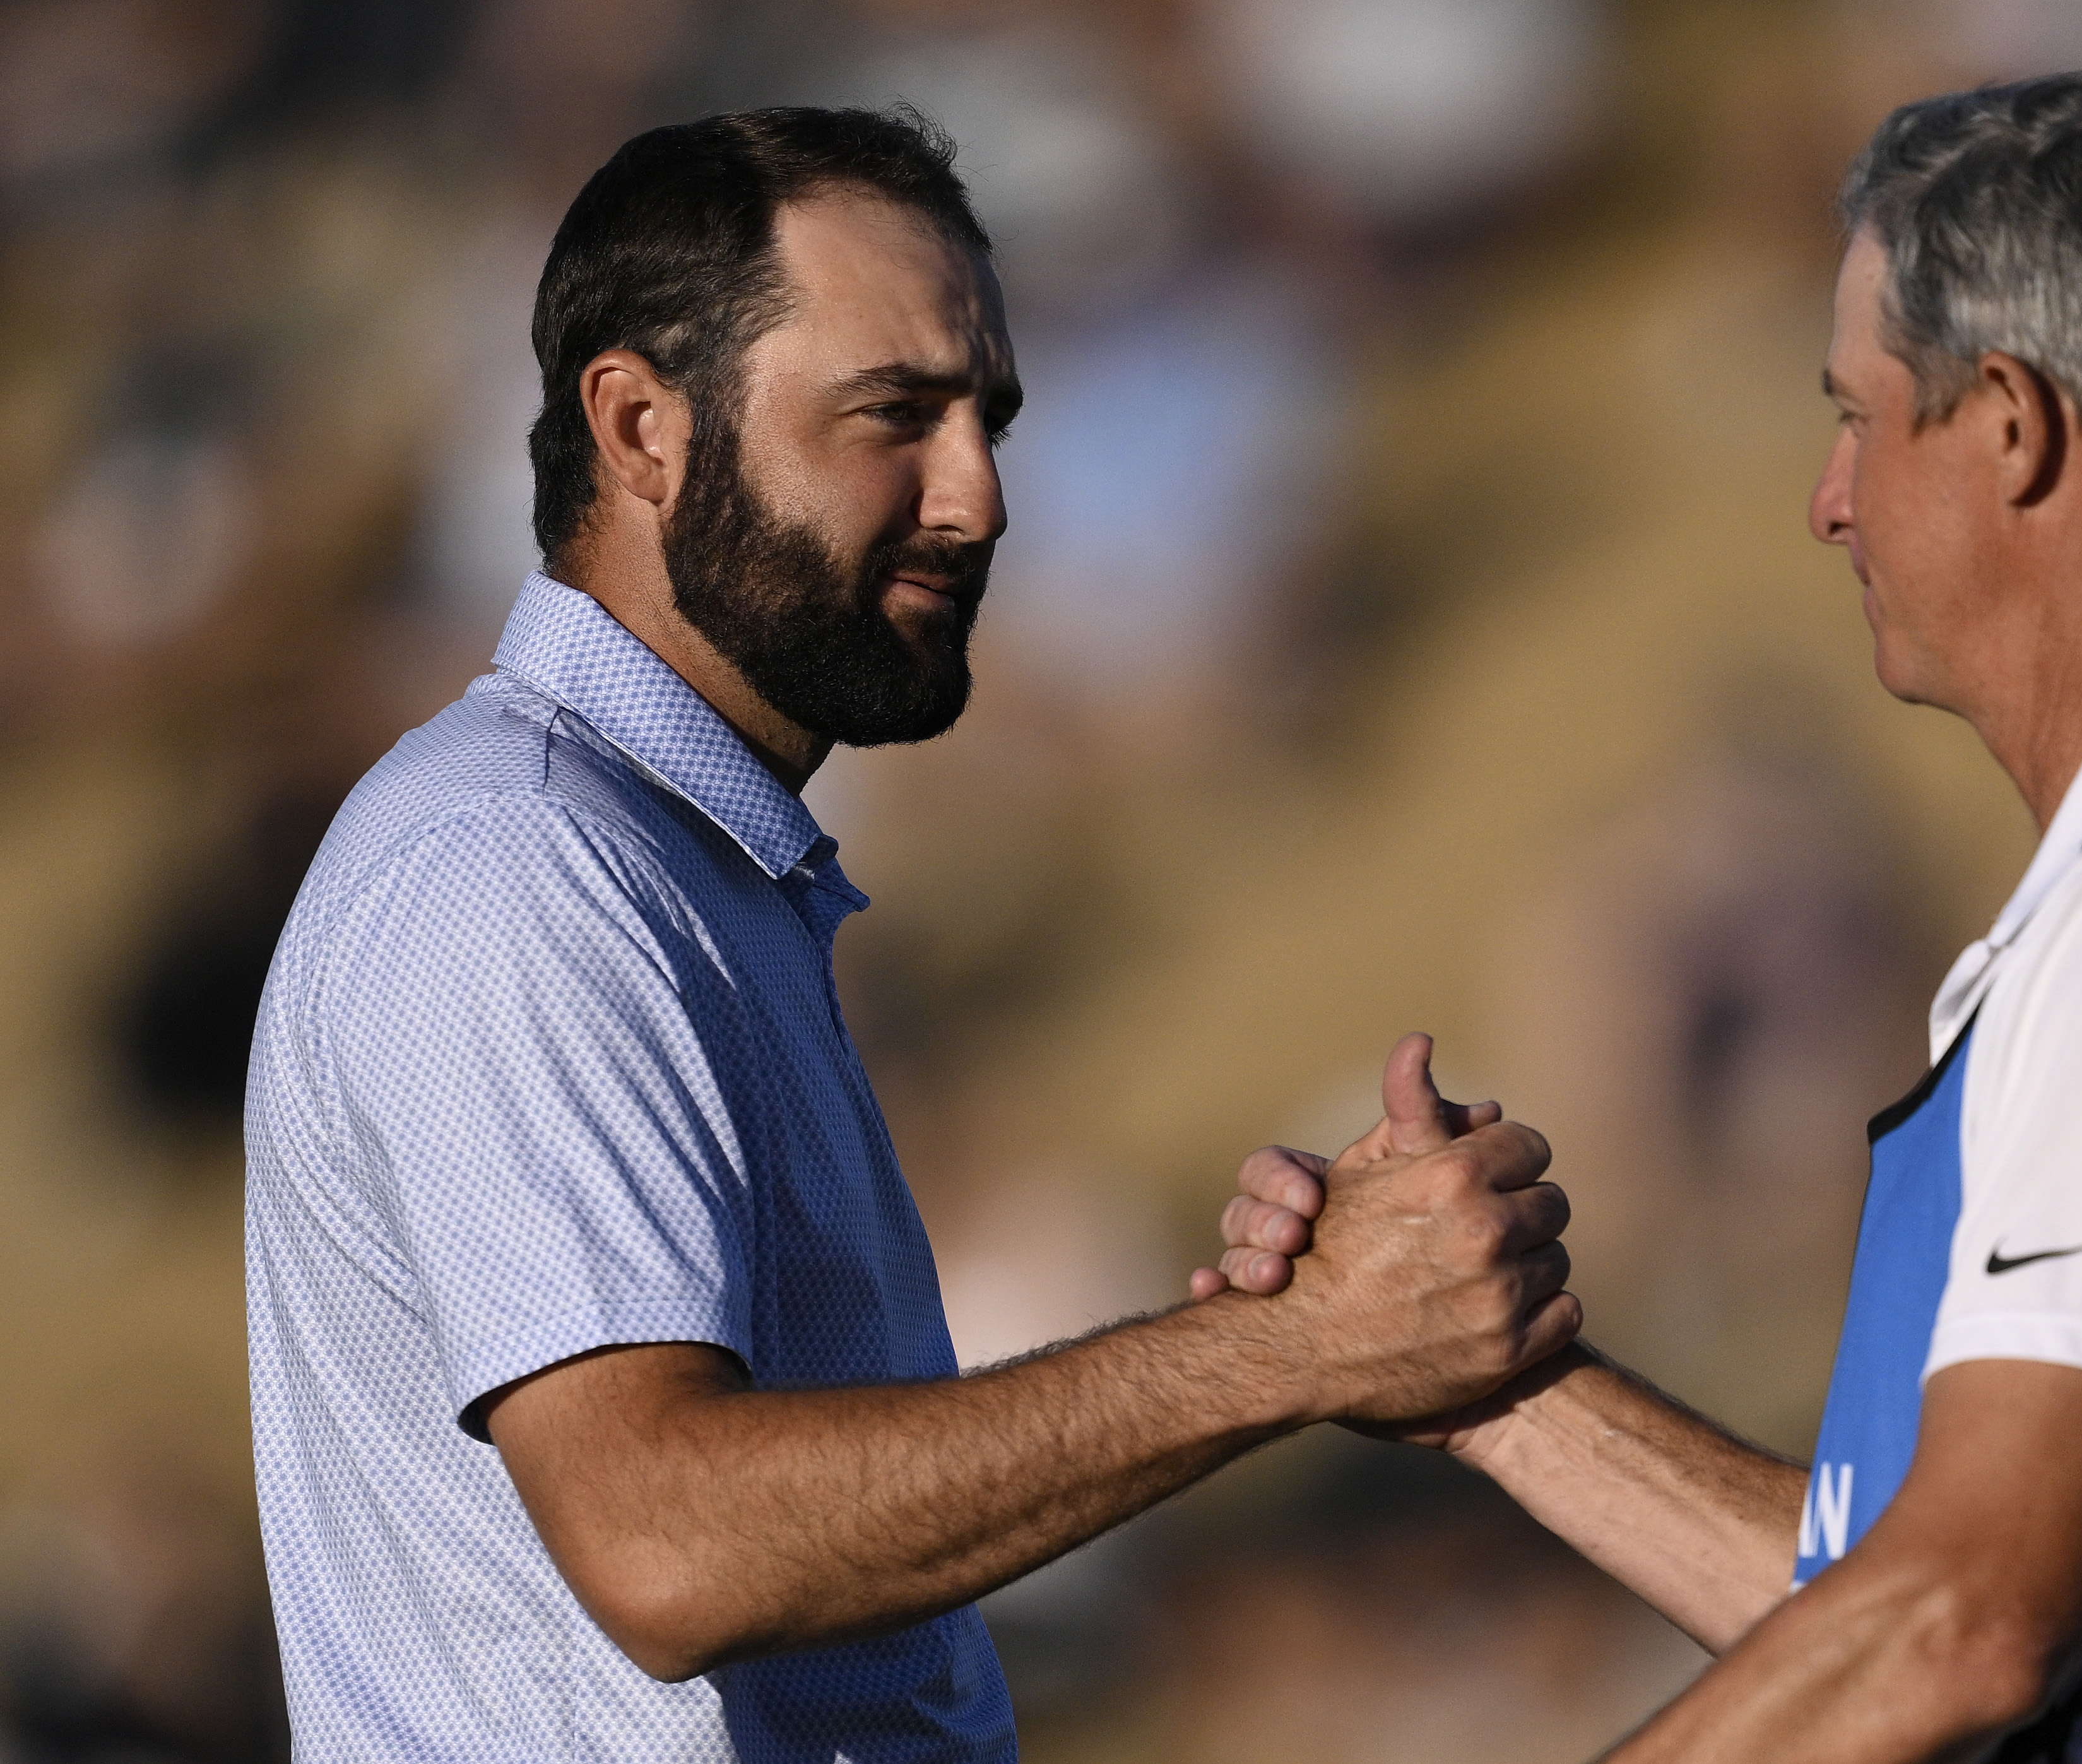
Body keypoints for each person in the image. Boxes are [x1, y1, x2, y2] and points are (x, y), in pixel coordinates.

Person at [1205, 72, 2082, 1764]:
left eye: (1856, 414)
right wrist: (1481, 1389)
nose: (1825, 498)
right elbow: (1933, 1592)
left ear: (2008, 422)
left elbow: (1958, 1626)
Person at [242, 105, 1582, 1763]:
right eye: (895, 416)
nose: (980, 498)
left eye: (988, 419)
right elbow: (666, 1540)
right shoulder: (521, 867)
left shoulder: (672, 863)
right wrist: (1283, 1351)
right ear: (642, 427)